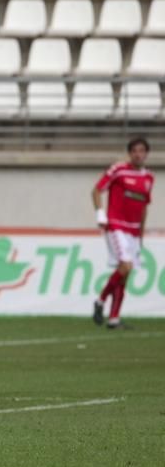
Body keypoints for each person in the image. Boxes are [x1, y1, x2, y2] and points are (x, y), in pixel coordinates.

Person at [91, 138, 154, 329]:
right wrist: (100, 214)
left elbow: (144, 207)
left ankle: (114, 319)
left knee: (125, 275)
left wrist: (141, 234)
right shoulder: (118, 170)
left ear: (146, 154)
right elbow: (96, 190)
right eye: (135, 151)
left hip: (134, 230)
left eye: (142, 151)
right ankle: (100, 301)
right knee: (125, 266)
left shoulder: (149, 178)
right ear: (130, 153)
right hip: (117, 226)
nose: (138, 154)